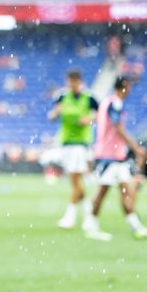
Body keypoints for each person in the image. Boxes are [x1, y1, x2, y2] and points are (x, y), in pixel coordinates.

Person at [82, 76, 147, 240]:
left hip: (114, 156)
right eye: (129, 86)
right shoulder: (115, 103)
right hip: (110, 157)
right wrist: (136, 148)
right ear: (124, 87)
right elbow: (118, 128)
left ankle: (136, 226)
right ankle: (91, 225)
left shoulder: (107, 102)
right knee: (103, 191)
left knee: (124, 191)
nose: (130, 90)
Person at [48, 68, 99, 230]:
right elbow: (53, 114)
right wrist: (55, 114)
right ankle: (89, 214)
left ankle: (70, 216)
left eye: (73, 81)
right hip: (66, 142)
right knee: (75, 180)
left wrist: (89, 119)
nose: (70, 84)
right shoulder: (62, 96)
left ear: (78, 81)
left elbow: (98, 114)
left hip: (81, 143)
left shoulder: (89, 97)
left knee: (76, 179)